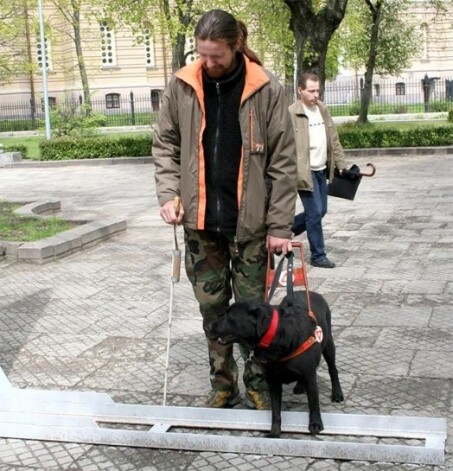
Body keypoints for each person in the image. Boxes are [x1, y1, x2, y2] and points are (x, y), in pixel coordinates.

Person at [152, 9, 297, 410]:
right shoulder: (182, 85)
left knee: (254, 313)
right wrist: (168, 194)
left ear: (236, 46)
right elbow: (165, 144)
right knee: (212, 310)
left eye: (216, 55)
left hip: (251, 226)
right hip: (200, 224)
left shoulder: (266, 89)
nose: (208, 62)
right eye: (203, 54)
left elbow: (284, 163)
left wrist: (280, 226)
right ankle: (222, 384)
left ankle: (258, 382)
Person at [289, 72, 348, 268]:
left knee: (321, 211)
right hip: (304, 172)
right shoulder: (292, 113)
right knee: (314, 213)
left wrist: (342, 165)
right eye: (311, 91)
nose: (316, 95)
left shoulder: (322, 109)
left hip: (322, 169)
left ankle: (285, 230)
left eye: (317, 91)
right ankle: (318, 255)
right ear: (300, 90)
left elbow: (334, 139)